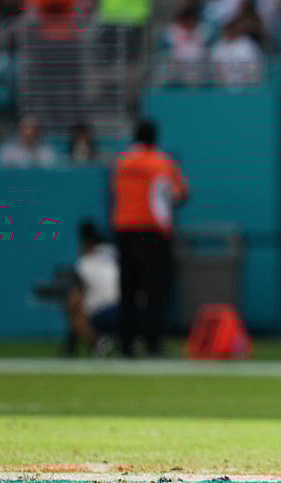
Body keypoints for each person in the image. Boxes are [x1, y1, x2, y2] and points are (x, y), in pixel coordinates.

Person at [113, 119, 189, 358]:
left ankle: (126, 344)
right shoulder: (162, 163)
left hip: (124, 230)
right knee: (156, 290)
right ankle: (152, 343)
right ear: (155, 137)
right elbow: (180, 195)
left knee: (127, 290)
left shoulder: (122, 163)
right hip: (152, 232)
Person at [65, 220, 120, 357]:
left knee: (73, 307)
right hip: (133, 311)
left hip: (105, 315)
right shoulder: (115, 253)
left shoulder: (83, 264)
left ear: (85, 242)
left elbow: (74, 301)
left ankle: (97, 344)